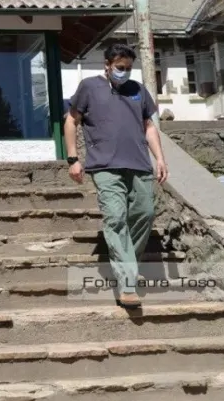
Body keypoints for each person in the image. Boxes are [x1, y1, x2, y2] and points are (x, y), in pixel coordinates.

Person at [63, 42, 169, 308]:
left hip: (139, 165)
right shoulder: (89, 87)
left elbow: (149, 126)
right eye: (120, 68)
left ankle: (128, 263)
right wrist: (73, 158)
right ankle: (127, 283)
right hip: (105, 166)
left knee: (145, 214)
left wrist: (160, 158)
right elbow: (71, 121)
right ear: (107, 66)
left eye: (129, 68)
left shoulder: (138, 90)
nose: (125, 73)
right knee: (116, 218)